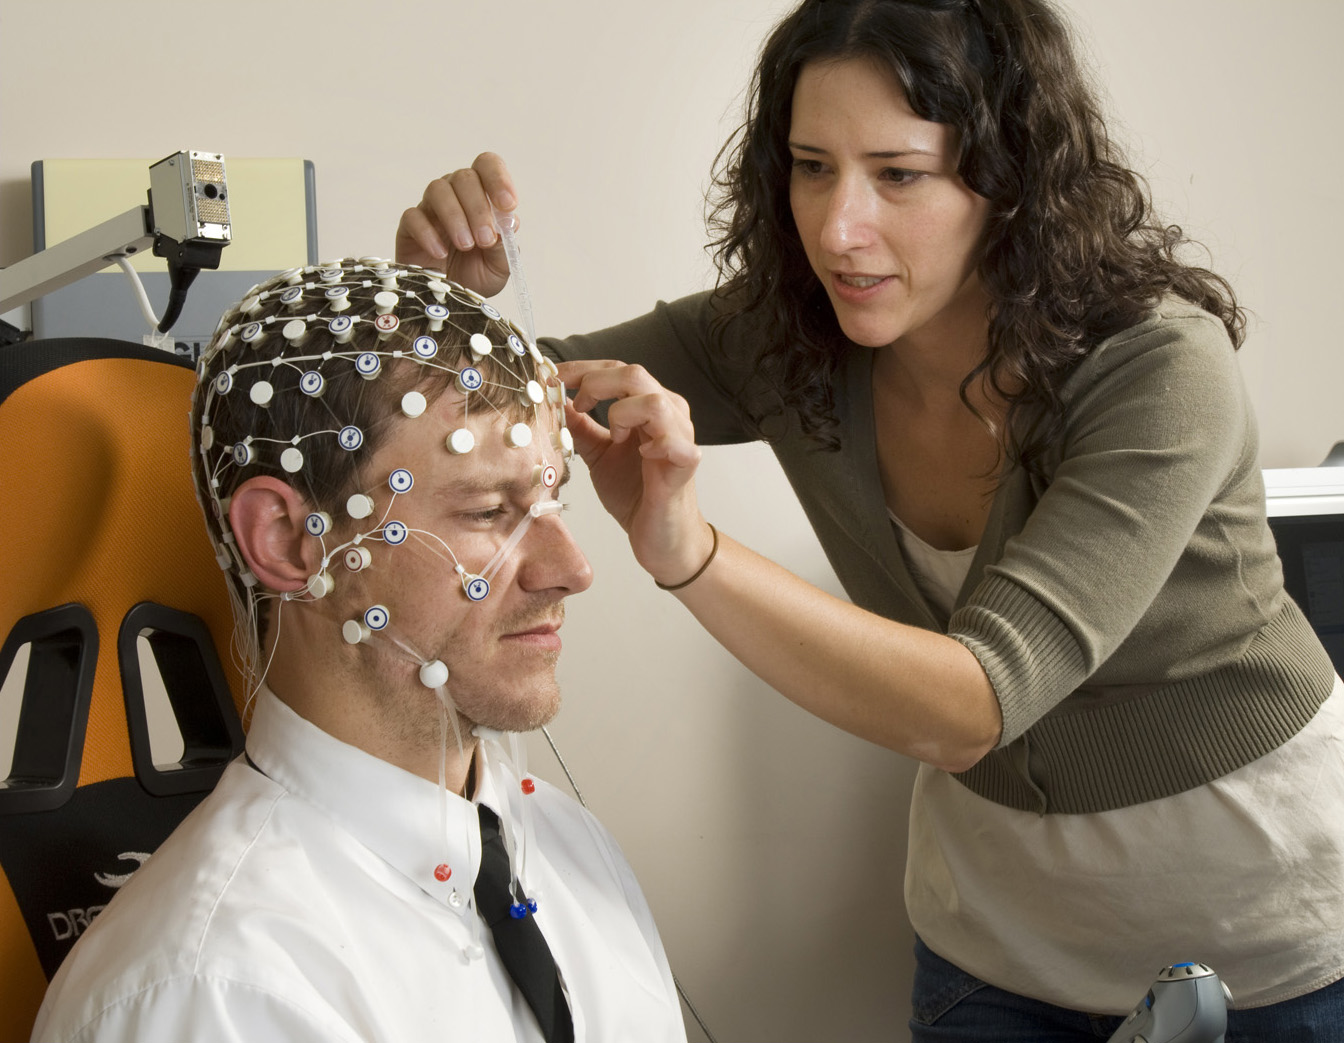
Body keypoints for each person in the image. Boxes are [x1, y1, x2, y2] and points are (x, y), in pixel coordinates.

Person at [395, 0, 1344, 1038]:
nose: (839, 229)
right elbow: (514, 400)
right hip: (996, 939)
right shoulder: (781, 335)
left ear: (1010, 178)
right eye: (811, 166)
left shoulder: (1160, 366)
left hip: (1266, 933)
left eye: (899, 175)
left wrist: (690, 552)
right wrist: (441, 304)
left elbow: (975, 703)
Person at [31, 260, 687, 1042]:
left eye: (554, 500)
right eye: (488, 509)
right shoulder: (219, 992)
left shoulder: (574, 853)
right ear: (286, 541)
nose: (573, 570)